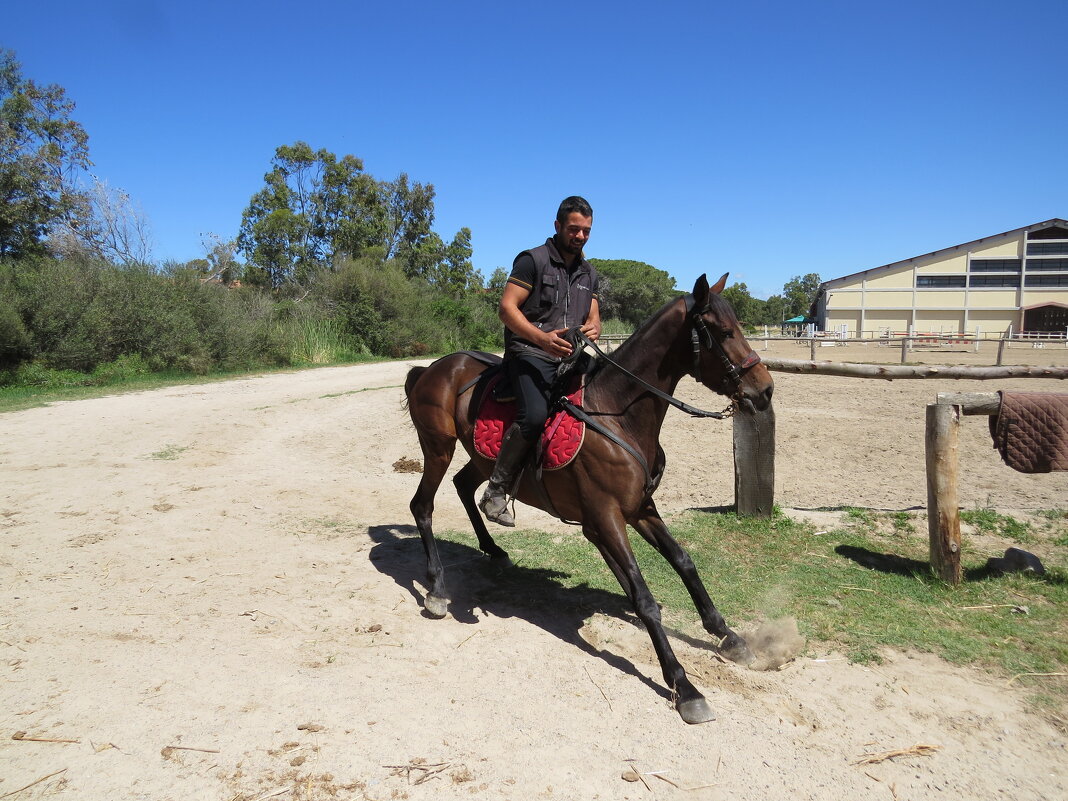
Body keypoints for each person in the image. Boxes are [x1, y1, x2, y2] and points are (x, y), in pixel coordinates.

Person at [479, 196, 601, 526]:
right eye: (574, 229)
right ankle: (495, 490)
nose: (580, 236)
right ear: (558, 226)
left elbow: (594, 314)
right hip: (529, 354)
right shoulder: (532, 260)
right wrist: (542, 339)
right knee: (533, 415)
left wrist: (595, 326)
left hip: (570, 357)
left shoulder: (588, 272)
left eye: (586, 231)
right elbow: (507, 309)